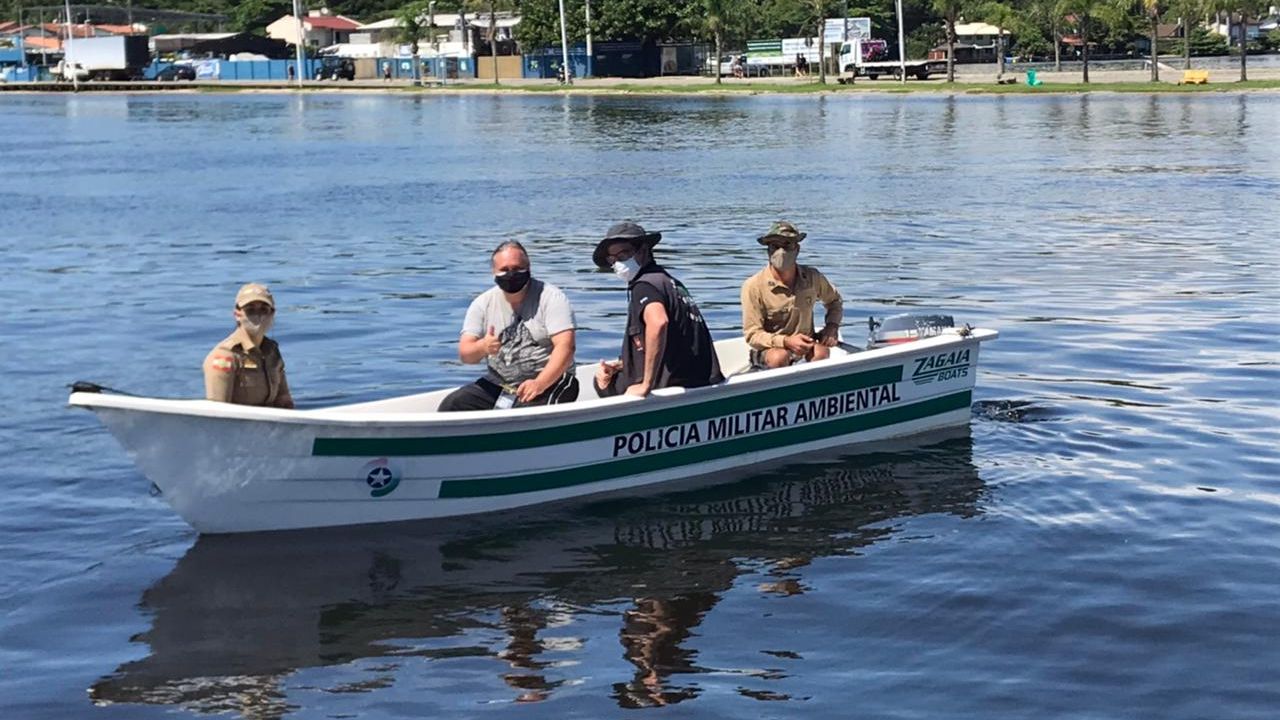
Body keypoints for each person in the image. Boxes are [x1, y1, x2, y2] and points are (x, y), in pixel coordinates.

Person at [439, 240, 578, 411]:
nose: (511, 274)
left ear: (529, 268)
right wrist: (483, 346)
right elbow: (466, 355)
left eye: (517, 268)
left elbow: (566, 347)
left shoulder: (551, 298)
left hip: (551, 380)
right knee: (453, 404)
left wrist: (539, 383)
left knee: (527, 412)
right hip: (500, 383)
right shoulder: (482, 303)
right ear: (493, 272)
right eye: (504, 270)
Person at [592, 222, 723, 398]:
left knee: (602, 382)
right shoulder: (668, 281)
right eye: (612, 259)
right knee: (612, 372)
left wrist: (646, 385)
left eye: (623, 255)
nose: (618, 263)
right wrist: (622, 365)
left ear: (643, 250)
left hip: (674, 382)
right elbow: (673, 341)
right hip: (700, 376)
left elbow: (659, 322)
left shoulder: (644, 286)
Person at [740, 221, 843, 370]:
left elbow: (834, 301)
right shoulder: (753, 286)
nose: (781, 251)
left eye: (787, 245)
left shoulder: (812, 277)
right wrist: (786, 341)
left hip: (806, 344)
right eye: (775, 246)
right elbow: (753, 335)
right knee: (778, 358)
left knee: (820, 352)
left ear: (797, 249)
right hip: (770, 350)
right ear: (768, 250)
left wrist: (832, 326)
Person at [203, 283, 294, 408]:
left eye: (264, 309)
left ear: (272, 314)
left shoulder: (272, 351)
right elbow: (217, 413)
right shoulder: (225, 356)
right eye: (250, 310)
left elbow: (284, 401)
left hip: (270, 425)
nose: (258, 315)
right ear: (237, 315)